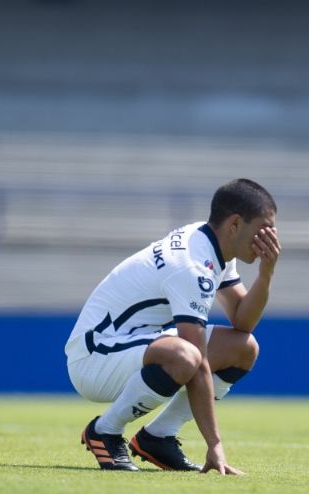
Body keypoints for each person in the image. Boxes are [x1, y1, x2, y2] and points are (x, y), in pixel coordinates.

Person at [66, 178, 280, 473]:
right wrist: (214, 444)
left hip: (127, 342)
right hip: (94, 358)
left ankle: (158, 437)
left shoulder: (210, 242)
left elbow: (243, 320)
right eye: (264, 228)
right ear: (235, 224)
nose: (269, 237)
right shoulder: (192, 266)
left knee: (243, 349)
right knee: (186, 355)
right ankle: (105, 430)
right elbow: (197, 358)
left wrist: (266, 275)